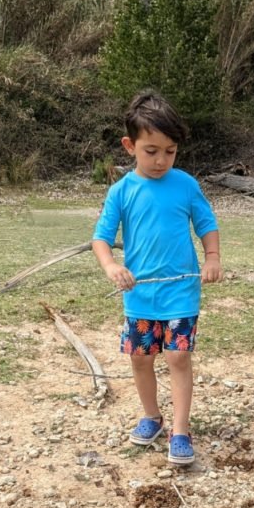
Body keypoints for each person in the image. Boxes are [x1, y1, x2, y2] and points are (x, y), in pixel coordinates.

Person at [92, 91, 222, 466]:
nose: (161, 160)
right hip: (140, 297)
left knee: (179, 356)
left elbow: (206, 224)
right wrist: (111, 267)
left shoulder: (185, 184)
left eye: (170, 150)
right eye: (151, 151)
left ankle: (180, 430)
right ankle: (152, 416)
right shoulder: (122, 191)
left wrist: (212, 256)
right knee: (140, 359)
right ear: (130, 146)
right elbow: (101, 238)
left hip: (181, 291)